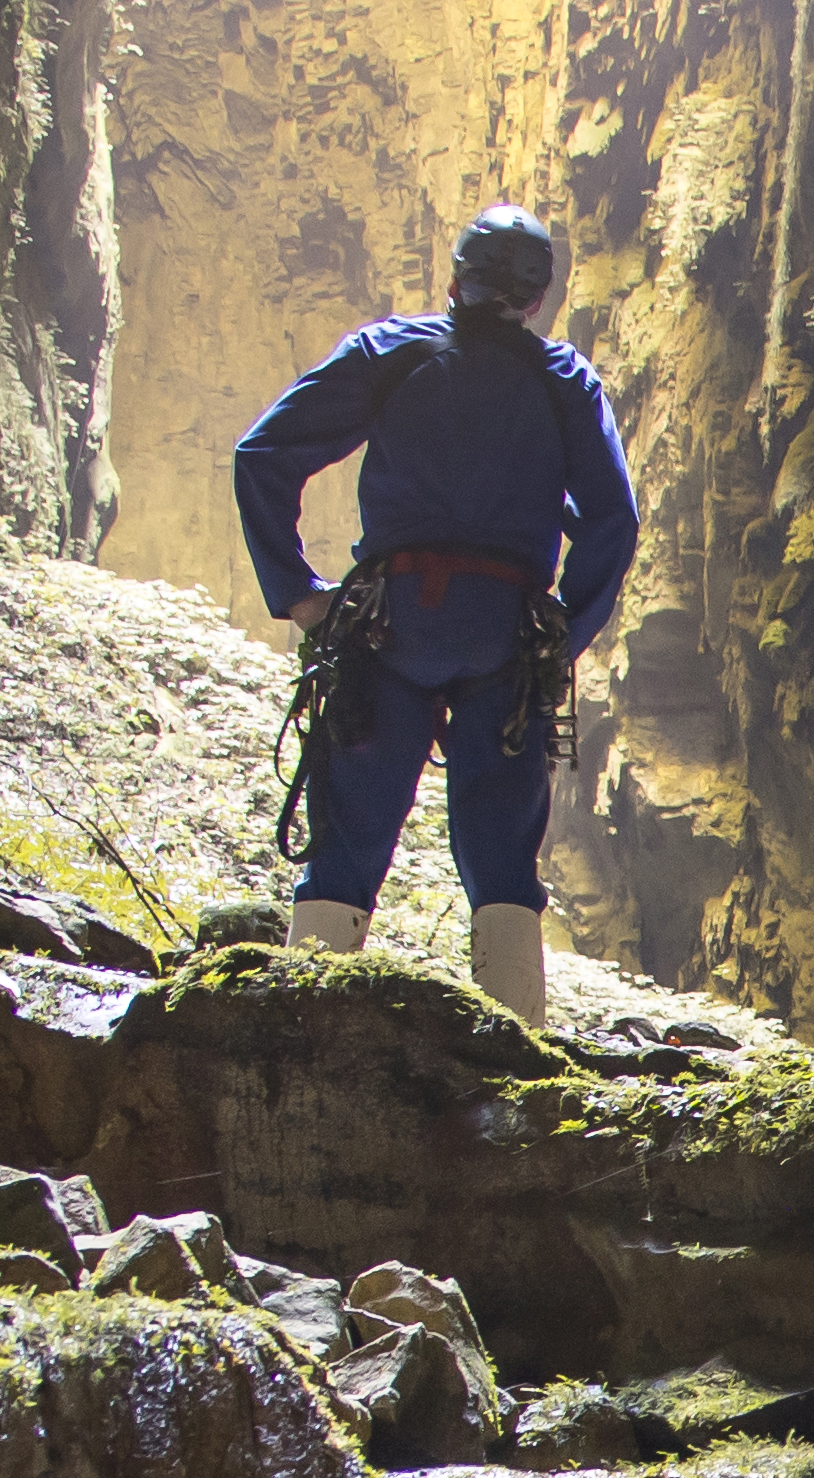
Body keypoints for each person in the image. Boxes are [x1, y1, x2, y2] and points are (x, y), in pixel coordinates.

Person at [230, 203, 637, 1021]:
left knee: (348, 836)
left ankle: (306, 1029)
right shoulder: (564, 381)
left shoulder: (391, 351)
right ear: (537, 298)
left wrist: (301, 596)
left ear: (455, 278)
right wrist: (566, 630)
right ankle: (515, 1048)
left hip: (390, 620)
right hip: (507, 632)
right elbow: (613, 519)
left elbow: (263, 455)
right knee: (500, 851)